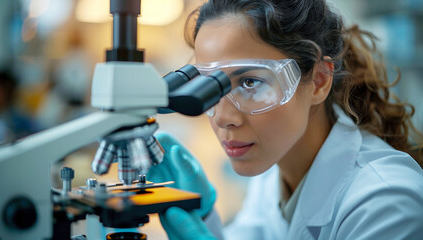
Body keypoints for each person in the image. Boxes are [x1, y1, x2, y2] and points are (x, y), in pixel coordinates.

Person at [147, 0, 423, 239]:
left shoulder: (385, 204)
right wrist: (204, 217)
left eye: (250, 82)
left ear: (318, 81)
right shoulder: (274, 173)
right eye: (210, 87)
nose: (223, 118)